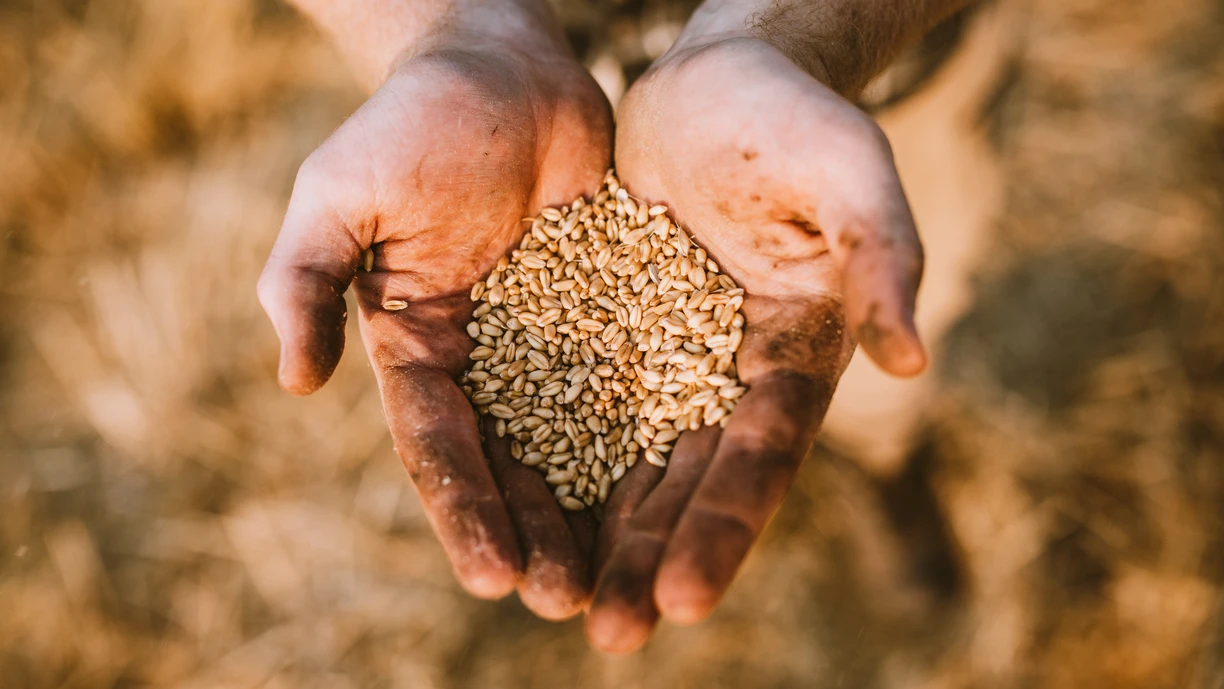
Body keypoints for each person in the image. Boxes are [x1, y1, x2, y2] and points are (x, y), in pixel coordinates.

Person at [256, 0, 972, 653]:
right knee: (845, 314)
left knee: (883, 312)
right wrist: (441, 27)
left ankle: (885, 457)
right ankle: (886, 456)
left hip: (842, 82)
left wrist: (799, 36)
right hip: (496, 104)